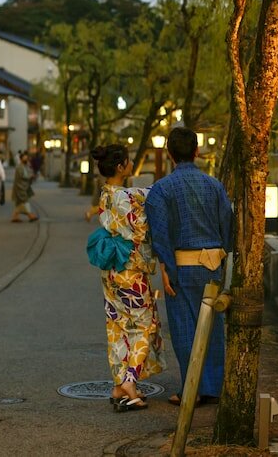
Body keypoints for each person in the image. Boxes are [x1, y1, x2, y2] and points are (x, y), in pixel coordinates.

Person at [144, 127, 232, 406]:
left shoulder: (161, 189)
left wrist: (166, 268)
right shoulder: (214, 185)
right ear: (196, 152)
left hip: (181, 265)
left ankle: (190, 389)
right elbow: (227, 227)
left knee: (184, 327)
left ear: (169, 154)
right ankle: (213, 387)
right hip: (212, 264)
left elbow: (160, 234)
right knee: (213, 326)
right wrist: (221, 255)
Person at [87, 143, 164, 412]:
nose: (132, 165)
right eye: (129, 162)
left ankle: (119, 384)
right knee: (145, 323)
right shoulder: (128, 198)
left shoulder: (106, 194)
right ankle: (130, 381)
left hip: (110, 269)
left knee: (117, 326)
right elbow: (142, 230)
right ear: (121, 167)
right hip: (130, 271)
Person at [10, 151, 39, 222]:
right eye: (24, 158)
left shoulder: (25, 166)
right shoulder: (19, 167)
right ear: (21, 159)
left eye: (26, 158)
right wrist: (31, 176)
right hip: (20, 187)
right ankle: (30, 216)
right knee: (24, 201)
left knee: (19, 203)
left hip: (23, 187)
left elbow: (28, 173)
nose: (26, 159)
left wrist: (31, 175)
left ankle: (15, 217)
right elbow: (23, 176)